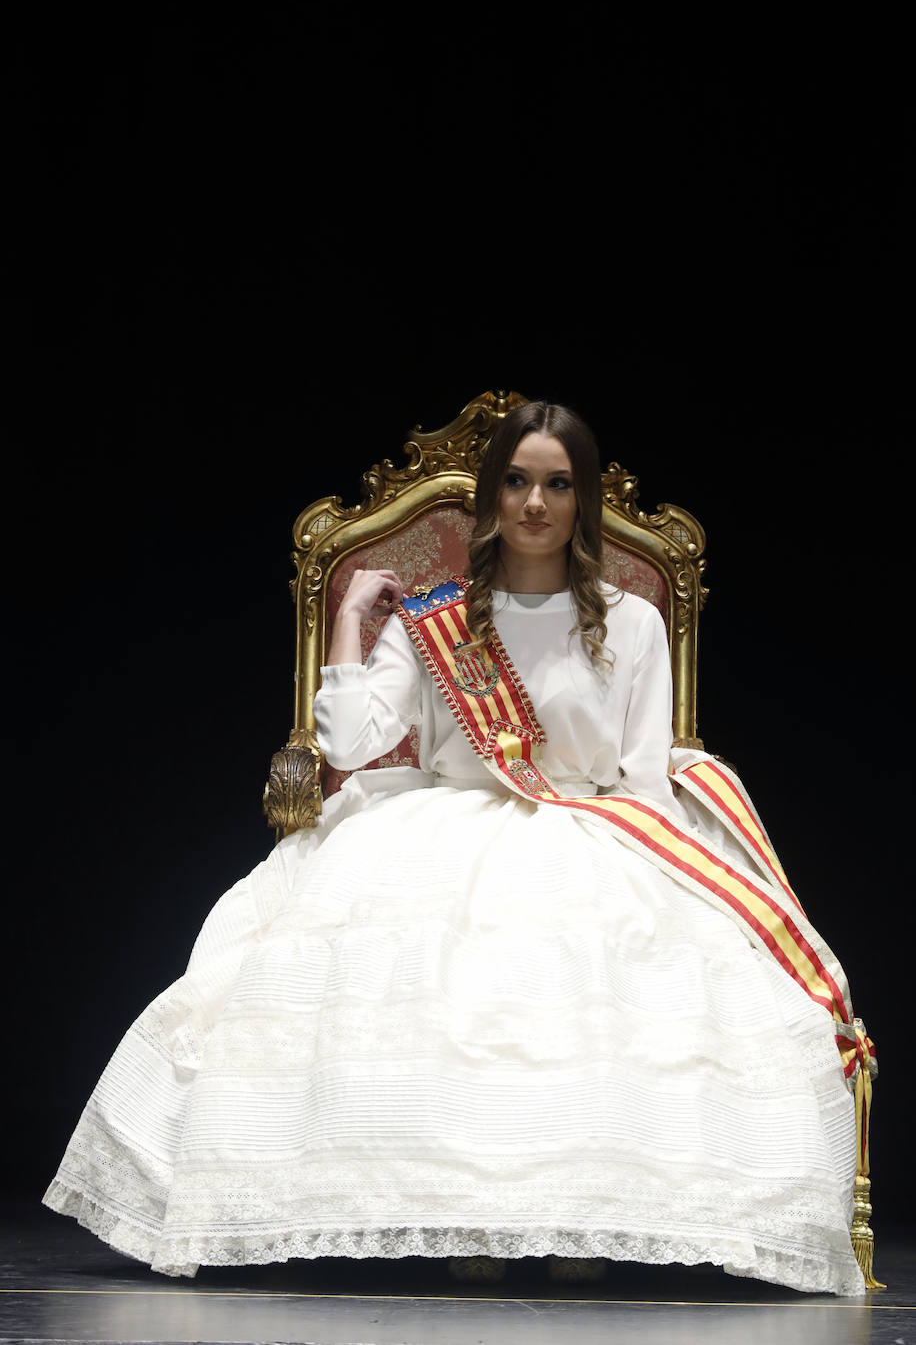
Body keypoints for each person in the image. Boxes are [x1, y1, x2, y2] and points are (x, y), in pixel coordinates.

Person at [44, 402, 869, 1295]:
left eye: (557, 484)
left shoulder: (632, 623)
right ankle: (459, 1216)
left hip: (597, 831)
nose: (535, 504)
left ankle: (584, 1214)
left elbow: (640, 778)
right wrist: (355, 621)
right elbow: (354, 744)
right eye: (517, 482)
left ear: (583, 499)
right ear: (490, 496)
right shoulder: (436, 619)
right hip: (441, 826)